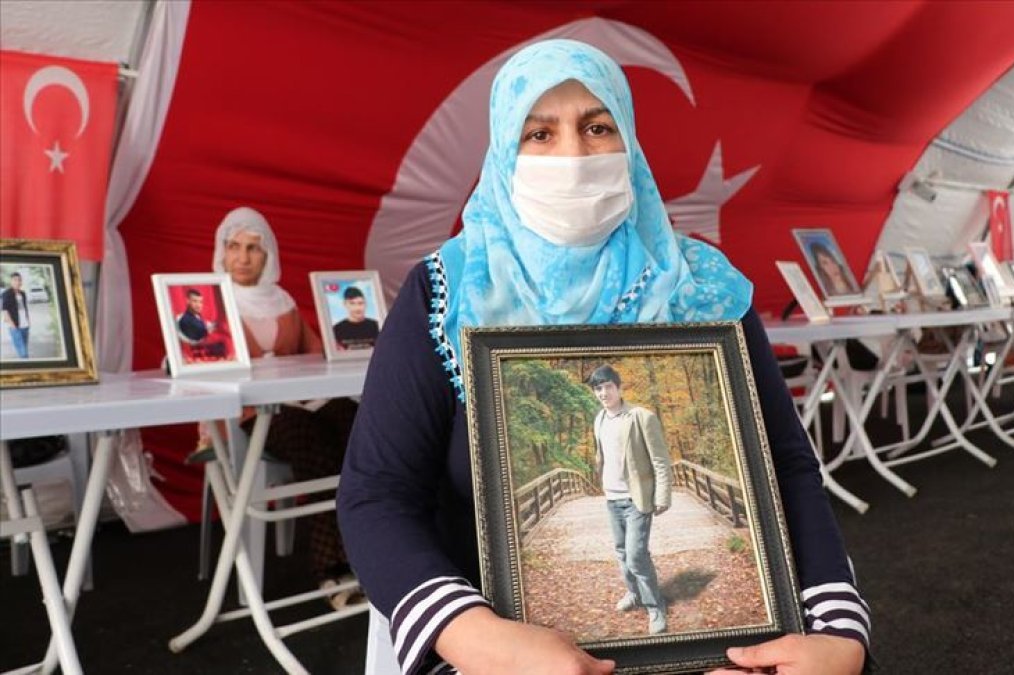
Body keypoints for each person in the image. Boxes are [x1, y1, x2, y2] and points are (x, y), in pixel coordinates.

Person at [338, 40, 868, 675]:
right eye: (539, 133)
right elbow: (377, 494)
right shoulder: (448, 290)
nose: (573, 156)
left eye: (596, 127)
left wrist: (840, 632)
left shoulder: (700, 286)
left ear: (631, 141)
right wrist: (470, 635)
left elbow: (785, 465)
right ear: (503, 150)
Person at [204, 206, 364, 607]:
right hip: (247, 416)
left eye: (253, 248)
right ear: (221, 252)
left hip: (299, 404)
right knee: (310, 436)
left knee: (355, 422)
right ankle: (332, 570)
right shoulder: (210, 304)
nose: (243, 257)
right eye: (234, 247)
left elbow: (318, 356)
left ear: (268, 255)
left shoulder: (283, 302)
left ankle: (368, 552)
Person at [588, 364, 671, 635]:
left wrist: (662, 496)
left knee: (636, 556)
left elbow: (660, 460)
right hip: (612, 499)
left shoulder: (641, 417)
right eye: (598, 389)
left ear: (618, 387)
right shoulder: (599, 419)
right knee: (622, 553)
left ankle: (655, 606)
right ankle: (634, 593)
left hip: (636, 499)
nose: (603, 393)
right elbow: (602, 455)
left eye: (607, 387)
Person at [332, 286, 379, 350]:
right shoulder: (336, 329)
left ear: (365, 304)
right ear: (345, 304)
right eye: (352, 303)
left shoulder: (377, 326)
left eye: (360, 303)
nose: (357, 308)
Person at [1, 271, 31, 359]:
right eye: (15, 280)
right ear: (11, 281)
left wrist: (28, 321)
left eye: (19, 280)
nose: (17, 282)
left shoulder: (23, 293)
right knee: (23, 353)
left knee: (24, 349)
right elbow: (5, 310)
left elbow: (25, 308)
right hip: (15, 327)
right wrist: (12, 325)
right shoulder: (6, 294)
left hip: (25, 326)